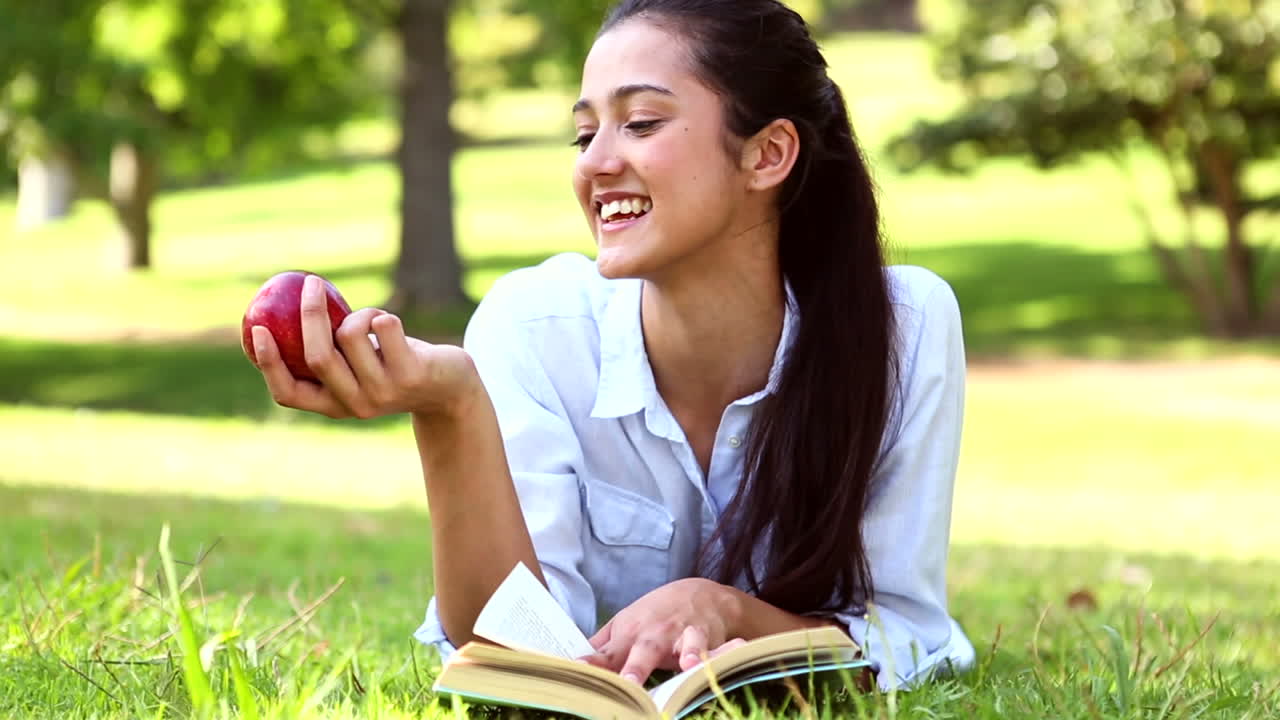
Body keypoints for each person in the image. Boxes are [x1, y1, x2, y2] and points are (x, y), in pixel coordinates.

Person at [249, 0, 975, 691]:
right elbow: (510, 649)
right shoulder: (530, 327)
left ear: (766, 155)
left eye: (641, 122)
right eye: (585, 132)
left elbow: (902, 634)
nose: (595, 163)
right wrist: (451, 407)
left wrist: (724, 611)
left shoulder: (902, 327)